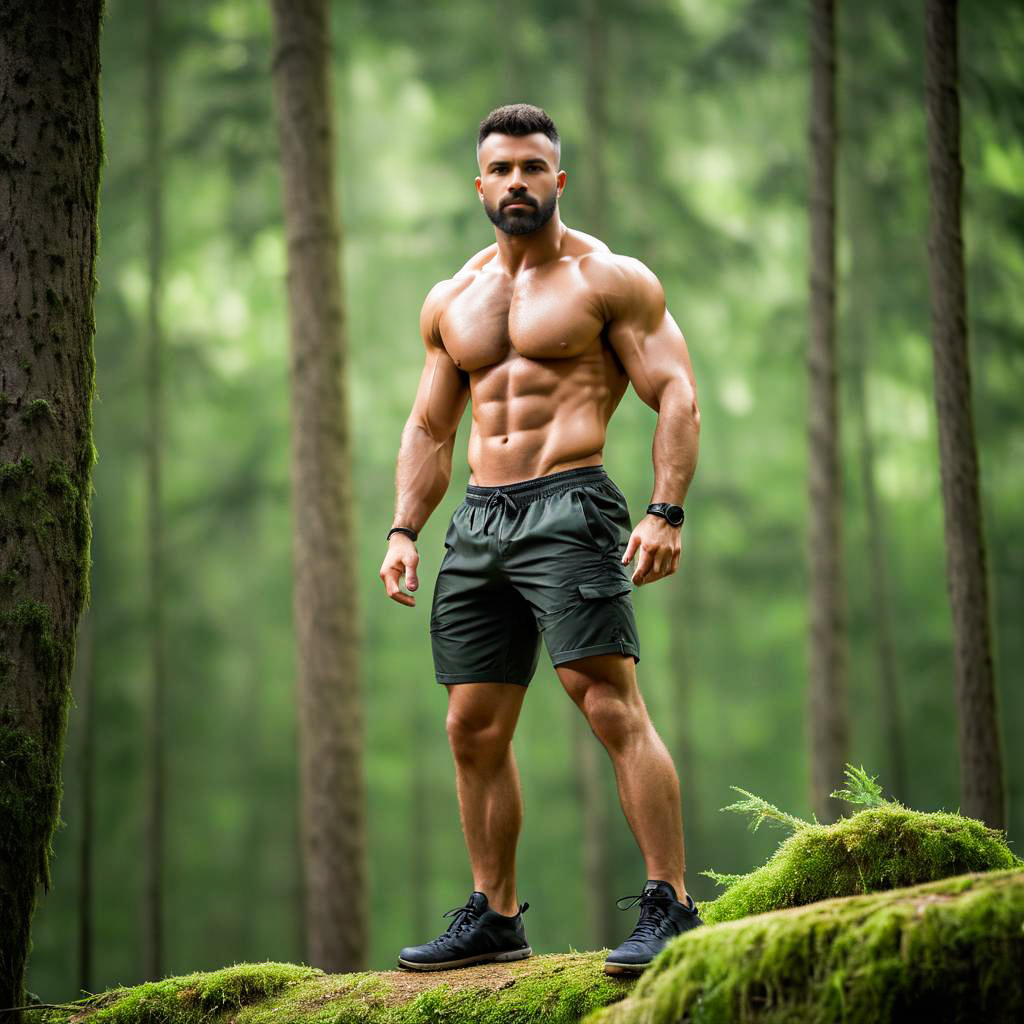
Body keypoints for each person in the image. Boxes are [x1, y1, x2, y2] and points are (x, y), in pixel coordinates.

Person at [379, 103, 703, 976]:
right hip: (480, 517)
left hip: (571, 504)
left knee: (603, 698)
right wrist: (405, 527)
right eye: (502, 169)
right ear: (479, 184)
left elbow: (675, 392)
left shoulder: (608, 278)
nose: (517, 181)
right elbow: (429, 426)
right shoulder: (454, 297)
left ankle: (669, 904)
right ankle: (495, 913)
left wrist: (665, 510)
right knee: (471, 724)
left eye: (533, 167)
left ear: (559, 178)